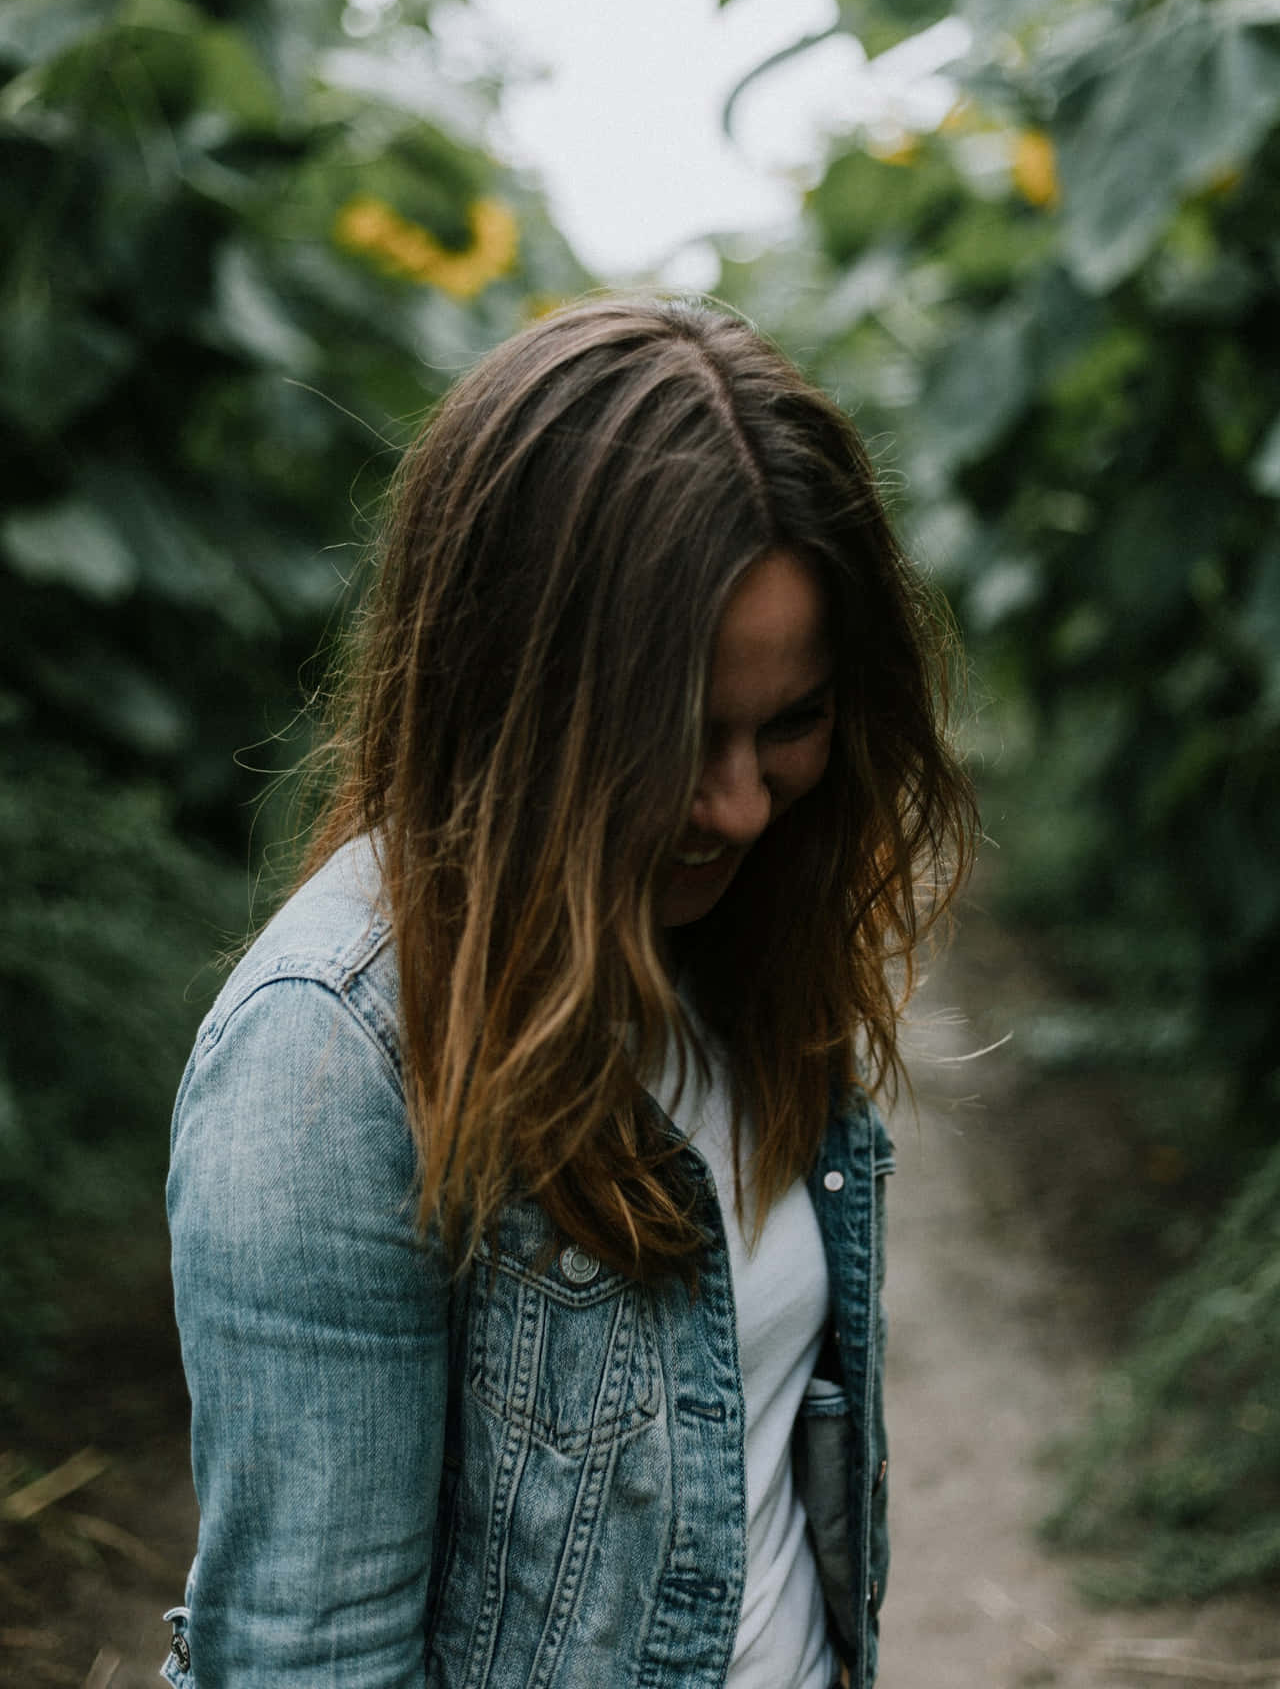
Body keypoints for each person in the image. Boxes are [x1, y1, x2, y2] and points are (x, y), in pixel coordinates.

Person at [163, 295, 976, 1689]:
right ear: (516, 695)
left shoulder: (734, 943)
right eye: (674, 736)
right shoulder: (330, 1060)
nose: (738, 807)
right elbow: (310, 1662)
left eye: (792, 724)